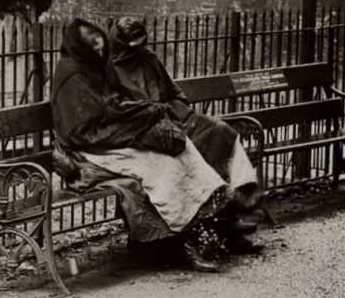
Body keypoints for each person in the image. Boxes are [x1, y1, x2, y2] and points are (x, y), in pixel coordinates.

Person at [49, 18, 240, 272]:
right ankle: (177, 243)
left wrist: (143, 112)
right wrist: (135, 118)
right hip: (91, 147)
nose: (99, 49)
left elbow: (122, 97)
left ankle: (199, 224)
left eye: (100, 42)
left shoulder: (99, 63)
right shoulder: (70, 73)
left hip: (116, 135)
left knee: (182, 150)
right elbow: (83, 127)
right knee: (161, 165)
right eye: (92, 45)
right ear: (78, 46)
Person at [107, 16, 264, 253]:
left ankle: (234, 219)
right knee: (183, 156)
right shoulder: (108, 71)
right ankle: (195, 234)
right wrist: (152, 116)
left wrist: (174, 112)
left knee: (222, 133)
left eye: (141, 43)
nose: (138, 50)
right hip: (144, 132)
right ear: (119, 43)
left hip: (173, 120)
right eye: (132, 45)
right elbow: (116, 114)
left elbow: (176, 95)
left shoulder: (149, 60)